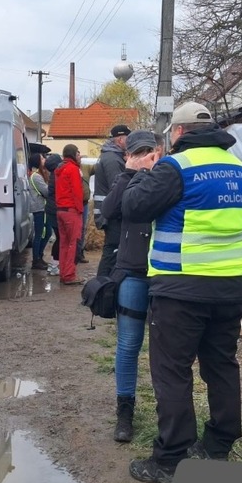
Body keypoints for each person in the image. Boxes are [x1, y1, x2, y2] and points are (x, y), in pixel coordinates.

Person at [120, 102, 242, 483]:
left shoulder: (176, 167)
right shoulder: (241, 171)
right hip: (230, 286)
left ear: (177, 134)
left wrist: (139, 174)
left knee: (172, 372)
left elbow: (134, 208)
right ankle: (217, 445)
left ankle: (172, 460)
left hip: (181, 289)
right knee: (221, 366)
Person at [100, 129, 159, 443]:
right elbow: (108, 212)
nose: (144, 157)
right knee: (128, 346)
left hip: (166, 274)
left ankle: (170, 413)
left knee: (165, 351)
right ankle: (125, 412)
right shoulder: (125, 179)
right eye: (137, 152)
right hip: (133, 273)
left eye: (148, 151)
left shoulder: (167, 177)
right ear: (128, 156)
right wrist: (129, 172)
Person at [92, 124, 130, 278]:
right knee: (111, 250)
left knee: (111, 250)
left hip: (109, 212)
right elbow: (118, 188)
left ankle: (104, 284)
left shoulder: (110, 156)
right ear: (120, 139)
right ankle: (102, 286)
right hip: (111, 214)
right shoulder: (112, 159)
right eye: (128, 138)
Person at [54, 144, 85, 286]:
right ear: (73, 154)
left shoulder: (59, 169)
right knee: (73, 243)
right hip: (71, 211)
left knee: (64, 244)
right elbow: (77, 192)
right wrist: (80, 210)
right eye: (78, 153)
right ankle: (69, 275)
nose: (79, 155)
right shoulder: (73, 169)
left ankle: (63, 272)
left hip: (60, 210)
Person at [28, 152, 52, 270]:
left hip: (43, 208)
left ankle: (39, 256)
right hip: (39, 209)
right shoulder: (36, 177)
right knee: (40, 234)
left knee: (47, 233)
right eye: (42, 158)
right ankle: (36, 259)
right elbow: (47, 192)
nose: (44, 160)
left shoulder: (40, 175)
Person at [44, 153, 63, 274]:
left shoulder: (52, 175)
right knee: (60, 238)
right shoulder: (56, 176)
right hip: (55, 210)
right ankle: (54, 264)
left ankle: (54, 263)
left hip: (51, 209)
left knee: (59, 237)